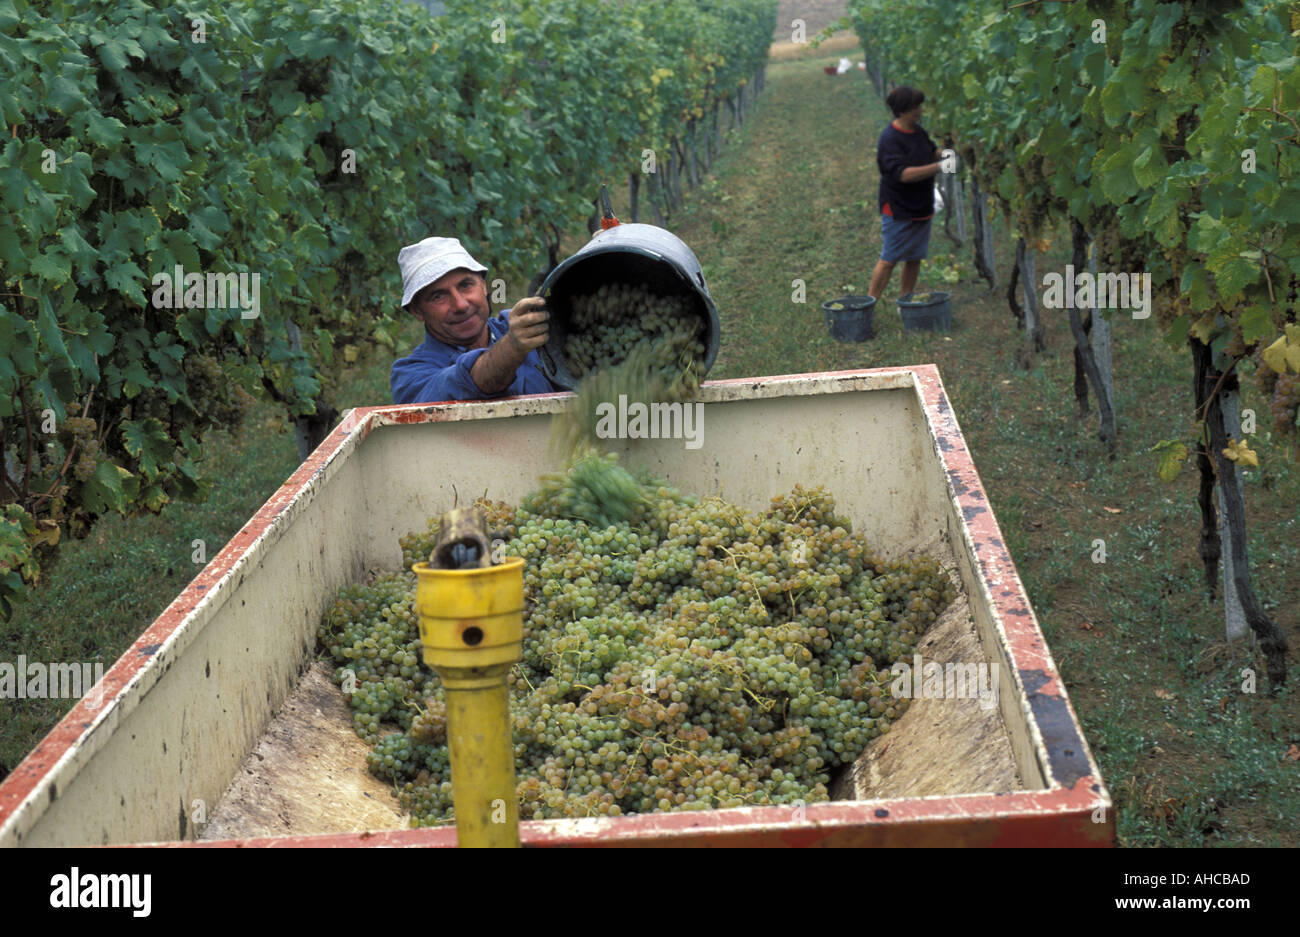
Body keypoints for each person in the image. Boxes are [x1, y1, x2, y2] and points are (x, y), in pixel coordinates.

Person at [390, 237, 557, 404]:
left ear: (483, 286)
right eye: (438, 296)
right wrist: (512, 347)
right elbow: (469, 381)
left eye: (465, 285)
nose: (460, 305)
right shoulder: (411, 376)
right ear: (417, 311)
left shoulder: (522, 325)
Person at [869, 86, 944, 301]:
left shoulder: (917, 131)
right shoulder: (890, 139)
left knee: (914, 256)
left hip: (921, 204)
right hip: (898, 207)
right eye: (915, 107)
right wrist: (940, 167)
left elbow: (931, 152)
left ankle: (906, 301)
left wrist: (950, 154)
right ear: (902, 111)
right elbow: (903, 174)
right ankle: (869, 304)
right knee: (889, 259)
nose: (920, 111)